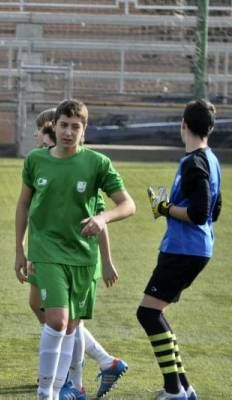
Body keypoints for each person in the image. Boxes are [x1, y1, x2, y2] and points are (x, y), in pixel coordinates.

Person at [14, 99, 136, 400]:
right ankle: (45, 392)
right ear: (54, 126)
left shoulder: (97, 163)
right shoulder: (36, 160)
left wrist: (102, 217)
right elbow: (23, 204)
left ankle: (61, 388)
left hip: (82, 255)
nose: (68, 132)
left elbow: (128, 204)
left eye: (75, 127)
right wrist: (19, 247)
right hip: (46, 250)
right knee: (56, 319)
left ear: (84, 130)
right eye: (64, 125)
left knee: (70, 326)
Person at [137, 99, 222, 400]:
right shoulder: (210, 159)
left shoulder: (193, 162)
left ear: (183, 124)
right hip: (198, 249)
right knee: (156, 312)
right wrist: (171, 208)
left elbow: (199, 213)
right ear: (210, 128)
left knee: (147, 314)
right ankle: (184, 387)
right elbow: (216, 210)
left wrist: (164, 208)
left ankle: (174, 390)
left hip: (183, 250)